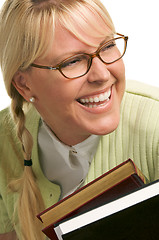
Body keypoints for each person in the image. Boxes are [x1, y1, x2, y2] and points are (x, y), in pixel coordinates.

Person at [0, 0, 158, 239]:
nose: (102, 74)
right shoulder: (4, 143)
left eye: (107, 47)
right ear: (24, 83)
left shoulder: (154, 127)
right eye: (72, 61)